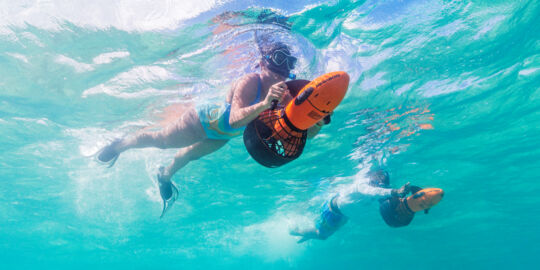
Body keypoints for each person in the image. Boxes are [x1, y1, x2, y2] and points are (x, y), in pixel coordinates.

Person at [96, 42, 326, 217]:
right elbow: (236, 119)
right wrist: (266, 103)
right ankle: (119, 145)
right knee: (161, 140)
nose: (281, 71)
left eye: (288, 65)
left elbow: (300, 132)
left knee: (189, 155)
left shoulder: (283, 94)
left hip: (224, 135)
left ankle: (164, 175)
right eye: (277, 61)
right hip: (204, 120)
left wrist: (316, 119)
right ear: (262, 62)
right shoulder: (250, 81)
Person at [290, 169, 410, 242]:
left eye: (383, 181)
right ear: (374, 176)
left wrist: (403, 199)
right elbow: (373, 192)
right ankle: (297, 232)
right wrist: (396, 191)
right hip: (333, 212)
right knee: (321, 236)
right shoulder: (363, 185)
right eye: (380, 179)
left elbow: (383, 196)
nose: (381, 183)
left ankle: (309, 233)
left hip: (343, 215)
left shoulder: (376, 186)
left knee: (322, 234)